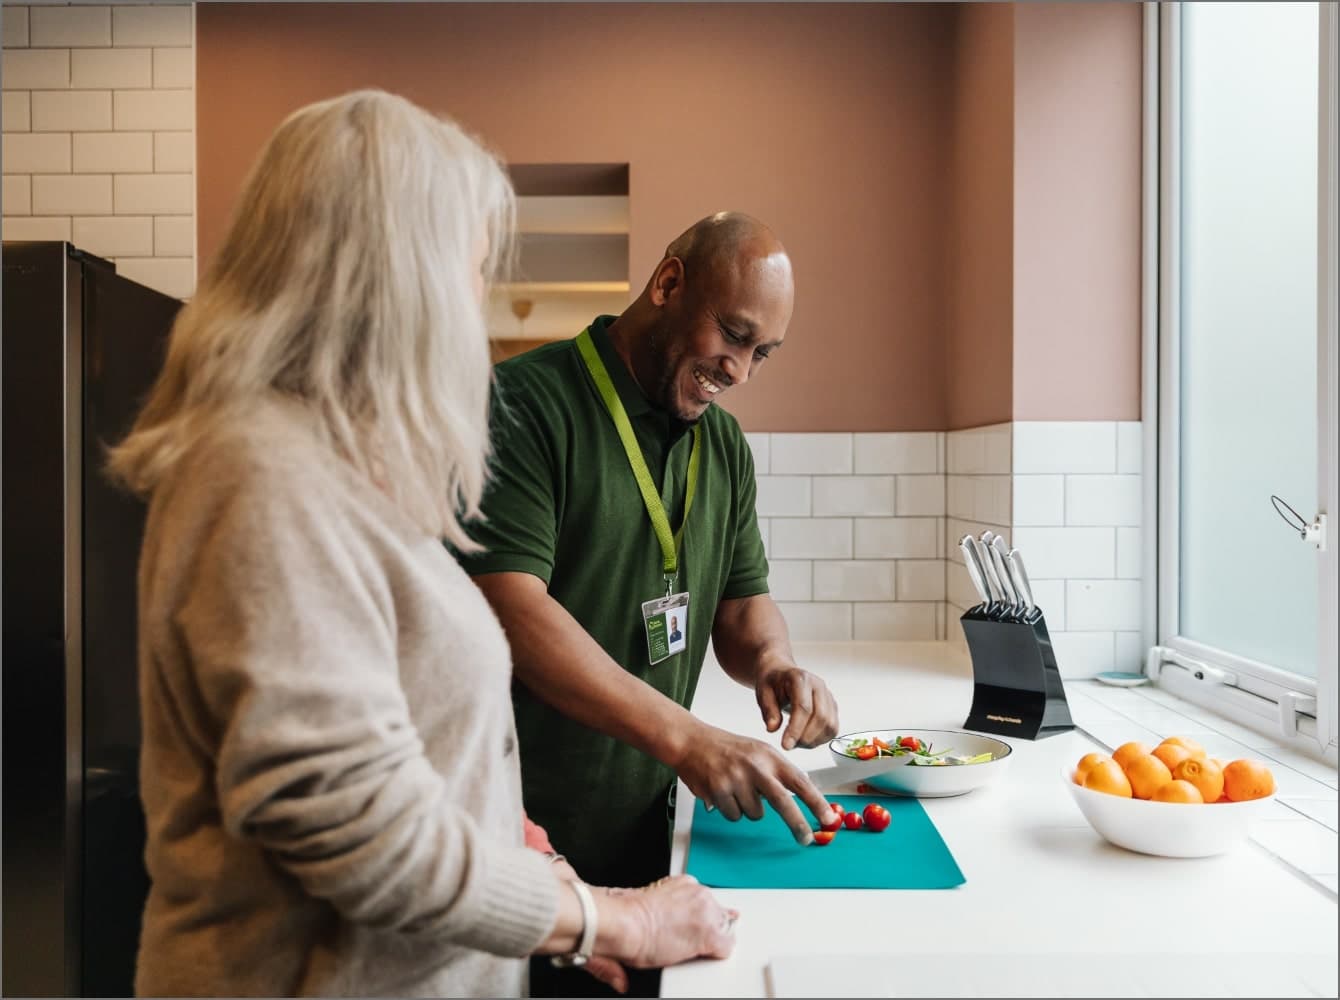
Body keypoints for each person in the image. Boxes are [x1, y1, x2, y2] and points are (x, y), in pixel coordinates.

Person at [107, 89, 737, 998]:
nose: (475, 302)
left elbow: (399, 720)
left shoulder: (325, 462)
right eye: (471, 268)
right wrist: (617, 918)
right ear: (391, 273)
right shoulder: (260, 475)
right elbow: (361, 832)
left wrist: (518, 853)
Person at [460, 212, 841, 996]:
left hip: (653, 836)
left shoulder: (725, 447)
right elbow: (512, 612)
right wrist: (689, 740)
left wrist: (776, 663)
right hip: (520, 846)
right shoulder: (524, 405)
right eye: (732, 336)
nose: (739, 371)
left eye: (760, 354)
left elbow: (743, 606)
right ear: (668, 283)